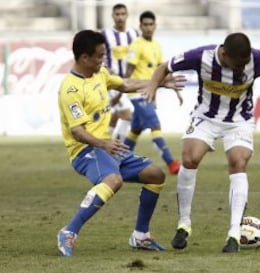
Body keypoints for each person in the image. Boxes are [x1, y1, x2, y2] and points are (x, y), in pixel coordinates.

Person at [143, 32, 260, 253]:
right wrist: (153, 85)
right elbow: (164, 67)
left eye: (245, 64)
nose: (242, 68)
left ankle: (234, 234)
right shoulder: (201, 56)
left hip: (239, 120)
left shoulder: (256, 58)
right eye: (238, 64)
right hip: (206, 117)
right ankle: (184, 224)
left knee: (238, 162)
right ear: (225, 55)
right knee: (189, 158)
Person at [57, 29, 184, 256]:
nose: (102, 60)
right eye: (99, 56)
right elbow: (77, 131)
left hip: (107, 148)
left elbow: (125, 84)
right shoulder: (70, 89)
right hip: (85, 150)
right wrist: (104, 144)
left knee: (155, 175)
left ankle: (141, 236)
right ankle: (68, 231)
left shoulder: (100, 74)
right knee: (113, 180)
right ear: (84, 58)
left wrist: (159, 83)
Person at [124, 10, 182, 175]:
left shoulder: (156, 45)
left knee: (135, 129)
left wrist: (174, 90)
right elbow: (128, 71)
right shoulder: (136, 45)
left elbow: (160, 71)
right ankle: (171, 163)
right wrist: (120, 90)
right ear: (140, 26)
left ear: (155, 26)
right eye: (145, 25)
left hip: (149, 92)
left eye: (151, 24)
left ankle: (118, 160)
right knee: (155, 125)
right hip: (137, 92)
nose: (148, 28)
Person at [101, 3, 138, 141]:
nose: (120, 17)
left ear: (127, 15)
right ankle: (117, 151)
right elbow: (99, 55)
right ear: (112, 16)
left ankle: (100, 143)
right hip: (112, 81)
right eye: (117, 14)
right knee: (128, 114)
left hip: (129, 81)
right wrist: (106, 68)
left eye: (123, 14)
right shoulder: (105, 34)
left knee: (115, 117)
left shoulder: (134, 34)